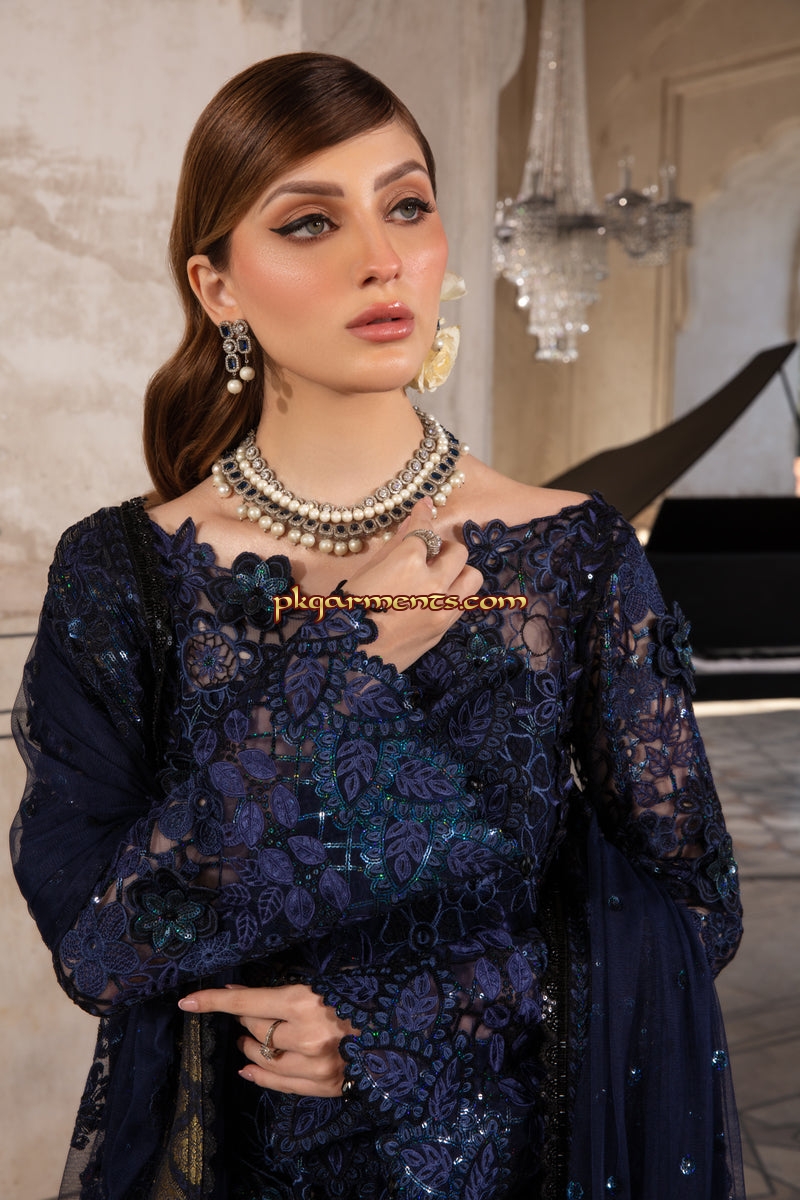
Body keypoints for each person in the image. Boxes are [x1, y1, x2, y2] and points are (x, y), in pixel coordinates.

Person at [11, 52, 744, 1200]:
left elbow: (692, 907)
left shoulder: (572, 556)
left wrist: (399, 1017)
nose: (381, 256)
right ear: (217, 286)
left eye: (405, 206)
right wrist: (345, 663)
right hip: (225, 1165)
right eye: (310, 222)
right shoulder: (123, 572)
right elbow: (99, 948)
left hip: (506, 1157)